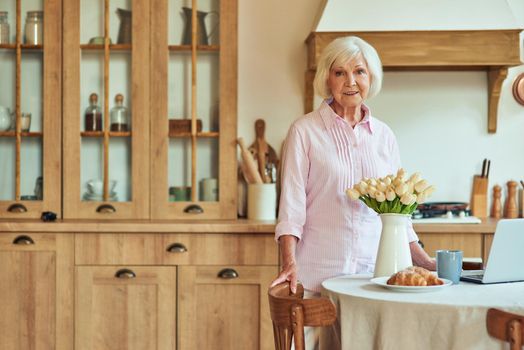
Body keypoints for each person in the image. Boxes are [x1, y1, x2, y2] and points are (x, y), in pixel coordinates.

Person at [270, 36, 436, 349]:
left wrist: (424, 261)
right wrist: (289, 262)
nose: (350, 82)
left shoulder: (384, 136)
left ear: (370, 78)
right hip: (319, 279)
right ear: (326, 79)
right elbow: (291, 209)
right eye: (340, 73)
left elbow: (399, 212)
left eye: (359, 72)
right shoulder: (304, 132)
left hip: (374, 279)